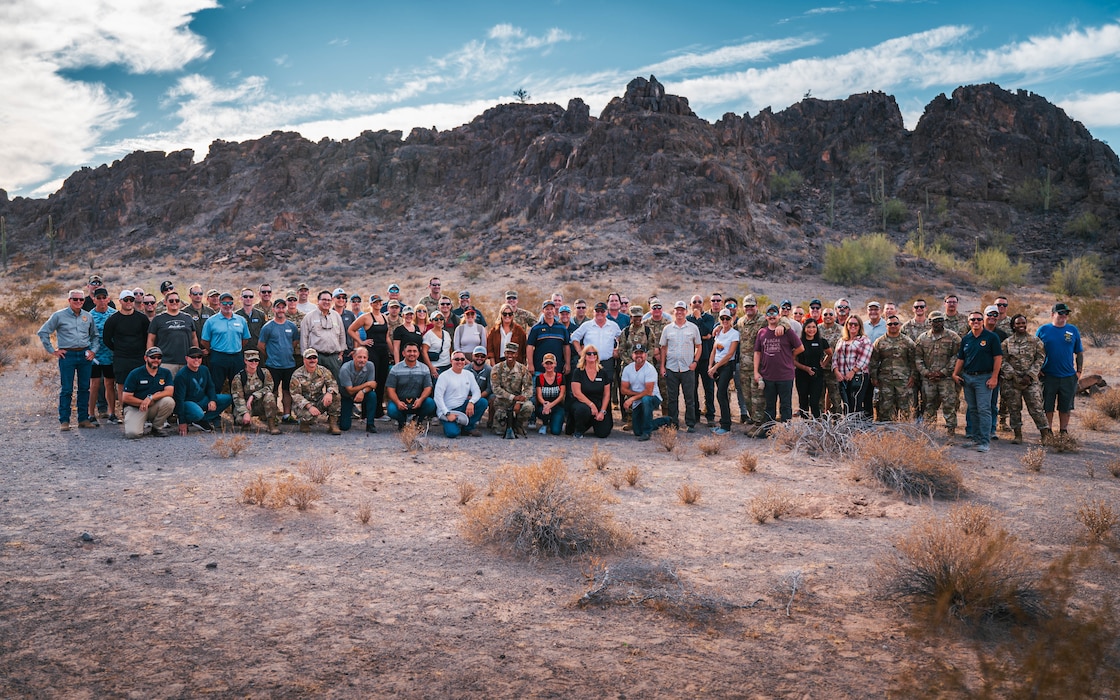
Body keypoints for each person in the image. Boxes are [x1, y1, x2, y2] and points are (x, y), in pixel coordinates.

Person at [38, 289, 101, 430]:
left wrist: (93, 351)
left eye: (81, 299)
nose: (78, 302)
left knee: (84, 388)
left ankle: (83, 419)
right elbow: (43, 332)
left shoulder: (88, 316)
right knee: (66, 389)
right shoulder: (59, 316)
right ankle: (64, 421)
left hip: (85, 355)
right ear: (69, 300)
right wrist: (52, 350)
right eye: (75, 299)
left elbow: (95, 336)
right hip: (67, 355)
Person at [952, 311, 1003, 452]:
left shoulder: (991, 337)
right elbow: (961, 358)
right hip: (968, 378)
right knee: (973, 409)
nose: (976, 321)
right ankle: (975, 438)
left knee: (984, 409)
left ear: (982, 321)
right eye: (973, 319)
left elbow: (998, 358)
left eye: (979, 319)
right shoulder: (966, 339)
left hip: (984, 378)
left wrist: (994, 377)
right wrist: (955, 373)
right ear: (968, 322)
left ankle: (985, 442)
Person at [1036, 302, 1084, 439]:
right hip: (1048, 375)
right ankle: (1048, 431)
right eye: (1060, 313)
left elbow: (1079, 352)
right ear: (1053, 314)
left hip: (1068, 376)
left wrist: (1079, 371)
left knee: (1066, 406)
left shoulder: (1073, 330)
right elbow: (1034, 351)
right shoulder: (1043, 330)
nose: (1063, 316)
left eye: (1066, 314)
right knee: (1047, 405)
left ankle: (1063, 431)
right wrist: (1037, 369)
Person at [753, 304, 804, 429]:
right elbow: (757, 352)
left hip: (785, 375)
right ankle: (769, 430)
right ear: (766, 317)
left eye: (774, 313)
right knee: (770, 405)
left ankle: (786, 432)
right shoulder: (762, 332)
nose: (771, 316)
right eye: (769, 314)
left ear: (779, 315)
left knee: (785, 406)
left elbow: (800, 348)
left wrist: (790, 356)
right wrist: (756, 372)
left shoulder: (788, 331)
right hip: (768, 375)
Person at [1001, 314, 1049, 444]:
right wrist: (1014, 375)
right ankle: (1018, 435)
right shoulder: (1007, 343)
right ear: (1013, 325)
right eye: (1018, 324)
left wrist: (1030, 375)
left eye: (1023, 323)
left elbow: (1040, 358)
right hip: (1012, 381)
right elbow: (1002, 360)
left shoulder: (1035, 341)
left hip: (1030, 381)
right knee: (1014, 408)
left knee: (1036, 407)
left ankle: (1045, 434)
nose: (1021, 326)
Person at [103, 290, 149, 422]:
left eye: (131, 300)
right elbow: (107, 340)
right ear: (120, 301)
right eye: (126, 300)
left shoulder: (142, 318)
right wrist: (118, 349)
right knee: (122, 386)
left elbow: (148, 337)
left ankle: (143, 415)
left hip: (139, 357)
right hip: (121, 358)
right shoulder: (113, 320)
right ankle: (126, 414)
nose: (129, 302)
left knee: (142, 385)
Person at [915, 311, 961, 437]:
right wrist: (926, 373)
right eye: (935, 321)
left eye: (940, 320)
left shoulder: (953, 337)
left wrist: (944, 372)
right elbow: (918, 358)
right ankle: (929, 433)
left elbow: (957, 356)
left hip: (946, 379)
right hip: (928, 379)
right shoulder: (922, 338)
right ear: (929, 322)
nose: (938, 323)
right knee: (928, 406)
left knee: (949, 405)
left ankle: (951, 432)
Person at [660, 301, 703, 432]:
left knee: (689, 398)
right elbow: (663, 347)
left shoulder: (693, 328)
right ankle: (674, 423)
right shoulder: (668, 329)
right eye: (677, 310)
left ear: (686, 311)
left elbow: (699, 346)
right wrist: (662, 366)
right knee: (672, 398)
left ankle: (690, 423)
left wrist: (695, 362)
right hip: (671, 368)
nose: (679, 312)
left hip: (687, 369)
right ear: (674, 311)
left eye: (682, 310)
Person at [348, 296, 392, 419]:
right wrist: (361, 342)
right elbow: (351, 329)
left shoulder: (384, 317)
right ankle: (366, 413)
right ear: (371, 304)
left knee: (381, 381)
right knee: (371, 381)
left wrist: (393, 352)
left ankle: (379, 412)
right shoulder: (366, 317)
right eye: (375, 302)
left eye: (379, 302)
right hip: (372, 352)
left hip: (384, 352)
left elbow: (387, 337)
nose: (378, 304)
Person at [173, 346, 233, 433]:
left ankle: (202, 420)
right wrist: (182, 421)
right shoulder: (181, 375)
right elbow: (179, 399)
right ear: (186, 358)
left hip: (202, 399)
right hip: (188, 403)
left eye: (199, 357)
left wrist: (212, 400)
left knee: (228, 398)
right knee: (198, 413)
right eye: (193, 357)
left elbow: (210, 387)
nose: (196, 359)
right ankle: (188, 419)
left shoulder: (204, 369)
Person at [869, 315, 917, 421]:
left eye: (895, 324)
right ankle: (887, 431)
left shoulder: (907, 342)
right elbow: (873, 361)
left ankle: (904, 432)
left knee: (905, 408)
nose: (893, 326)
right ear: (886, 326)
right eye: (890, 324)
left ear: (899, 325)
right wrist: (874, 377)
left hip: (903, 380)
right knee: (885, 407)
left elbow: (913, 361)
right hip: (885, 381)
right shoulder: (879, 342)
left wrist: (913, 377)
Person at [121, 346, 176, 438]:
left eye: (159, 358)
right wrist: (143, 402)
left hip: (153, 405)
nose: (156, 360)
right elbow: (126, 397)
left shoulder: (165, 373)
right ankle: (138, 424)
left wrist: (150, 398)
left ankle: (156, 428)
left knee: (169, 401)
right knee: (133, 434)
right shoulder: (135, 373)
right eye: (153, 357)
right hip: (136, 407)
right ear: (145, 358)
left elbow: (169, 392)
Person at [258, 298, 298, 420]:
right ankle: (273, 415)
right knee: (273, 391)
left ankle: (287, 415)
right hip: (273, 365)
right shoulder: (268, 327)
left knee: (287, 391)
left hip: (289, 365)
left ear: (285, 309)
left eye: (283, 307)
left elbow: (295, 342)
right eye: (278, 307)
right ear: (274, 309)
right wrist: (270, 355)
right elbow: (261, 345)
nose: (280, 310)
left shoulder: (291, 326)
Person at [201, 292, 250, 393]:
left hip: (236, 357)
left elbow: (245, 338)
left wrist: (235, 347)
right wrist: (213, 350)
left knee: (238, 387)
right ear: (219, 304)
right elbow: (204, 340)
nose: (228, 305)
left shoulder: (241, 320)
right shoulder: (211, 321)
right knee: (216, 386)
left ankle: (236, 408)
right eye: (224, 303)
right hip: (218, 357)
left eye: (230, 303)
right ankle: (215, 408)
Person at [433, 350, 487, 438]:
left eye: (462, 359)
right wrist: (447, 413)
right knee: (452, 433)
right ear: (451, 361)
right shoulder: (444, 376)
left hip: (462, 406)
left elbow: (477, 392)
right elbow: (437, 397)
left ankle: (467, 428)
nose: (460, 362)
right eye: (457, 359)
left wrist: (471, 402)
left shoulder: (468, 374)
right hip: (448, 410)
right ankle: (453, 425)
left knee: (482, 402)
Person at [290, 348, 342, 435]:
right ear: (304, 360)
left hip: (318, 401)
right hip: (303, 405)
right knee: (307, 416)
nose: (312, 360)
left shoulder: (323, 371)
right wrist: (309, 406)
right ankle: (304, 423)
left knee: (335, 396)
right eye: (309, 358)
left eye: (314, 357)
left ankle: (333, 424)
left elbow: (333, 384)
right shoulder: (297, 374)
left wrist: (329, 392)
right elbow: (296, 395)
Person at [385, 343, 437, 429]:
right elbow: (390, 389)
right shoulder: (395, 369)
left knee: (430, 403)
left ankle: (418, 421)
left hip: (417, 402)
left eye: (414, 351)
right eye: (409, 351)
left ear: (418, 353)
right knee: (391, 410)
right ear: (403, 353)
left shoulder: (424, 368)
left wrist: (421, 400)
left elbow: (428, 388)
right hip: (401, 402)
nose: (412, 354)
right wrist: (397, 402)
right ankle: (402, 423)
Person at [147, 290, 197, 377]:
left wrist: (195, 356)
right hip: (166, 362)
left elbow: (194, 338)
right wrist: (151, 357)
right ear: (165, 302)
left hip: (186, 361)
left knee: (186, 389)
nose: (174, 302)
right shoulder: (158, 319)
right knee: (167, 388)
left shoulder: (188, 318)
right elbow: (151, 339)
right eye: (171, 301)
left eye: (177, 300)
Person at [87, 287, 118, 424]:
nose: (101, 301)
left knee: (109, 384)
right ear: (94, 300)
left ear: (108, 299)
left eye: (103, 298)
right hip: (95, 356)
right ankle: (91, 414)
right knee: (94, 384)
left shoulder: (115, 314)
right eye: (98, 298)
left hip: (110, 354)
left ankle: (112, 413)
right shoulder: (88, 316)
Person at [231, 350, 280, 434]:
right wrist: (245, 412)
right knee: (240, 419)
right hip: (247, 405)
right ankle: (246, 424)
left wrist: (254, 396)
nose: (254, 362)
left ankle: (271, 425)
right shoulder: (239, 377)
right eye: (251, 360)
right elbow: (237, 397)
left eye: (256, 360)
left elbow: (269, 387)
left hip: (261, 403)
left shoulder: (264, 373)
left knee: (269, 396)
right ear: (245, 361)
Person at [301, 290, 347, 380]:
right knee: (315, 385)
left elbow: (342, 335)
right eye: (324, 300)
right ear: (318, 301)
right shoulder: (309, 317)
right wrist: (306, 357)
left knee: (335, 384)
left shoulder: (336, 316)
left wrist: (341, 353)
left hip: (334, 357)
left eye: (329, 300)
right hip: (315, 357)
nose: (326, 302)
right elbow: (304, 338)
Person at [491, 342, 535, 437]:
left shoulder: (522, 369)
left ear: (516, 354)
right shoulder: (497, 368)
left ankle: (517, 424)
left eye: (513, 353)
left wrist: (519, 402)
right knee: (500, 431)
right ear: (505, 353)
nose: (510, 355)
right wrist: (513, 397)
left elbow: (529, 388)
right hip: (502, 401)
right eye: (508, 353)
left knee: (529, 406)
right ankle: (505, 423)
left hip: (518, 401)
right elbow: (496, 389)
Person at [707, 308, 739, 434]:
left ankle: (726, 425)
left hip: (726, 366)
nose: (725, 321)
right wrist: (711, 366)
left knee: (721, 393)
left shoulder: (734, 334)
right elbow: (714, 350)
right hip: (716, 365)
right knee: (721, 394)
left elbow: (730, 354)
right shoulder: (718, 333)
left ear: (731, 319)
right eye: (722, 318)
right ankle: (724, 423)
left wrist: (715, 367)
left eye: (727, 318)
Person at [832, 315, 872, 416]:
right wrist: (836, 371)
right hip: (842, 377)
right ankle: (847, 427)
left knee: (855, 402)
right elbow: (835, 356)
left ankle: (856, 428)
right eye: (850, 324)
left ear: (860, 326)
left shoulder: (864, 340)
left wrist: (853, 371)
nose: (853, 326)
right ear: (847, 325)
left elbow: (864, 359)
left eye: (855, 324)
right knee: (846, 404)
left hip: (858, 376)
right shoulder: (842, 340)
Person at [570, 345, 613, 438]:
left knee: (603, 433)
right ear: (584, 356)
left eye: (594, 353)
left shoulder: (603, 372)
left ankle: (592, 423)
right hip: (582, 403)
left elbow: (607, 394)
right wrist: (591, 405)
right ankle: (579, 430)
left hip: (599, 403)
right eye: (589, 353)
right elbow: (577, 393)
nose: (592, 355)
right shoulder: (578, 371)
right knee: (583, 410)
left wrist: (602, 411)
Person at [620, 343, 661, 441]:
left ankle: (647, 432)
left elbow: (649, 391)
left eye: (641, 353)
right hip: (638, 398)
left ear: (646, 355)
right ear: (632, 355)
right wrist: (636, 396)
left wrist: (631, 399)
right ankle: (665, 421)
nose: (639, 355)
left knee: (646, 399)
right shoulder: (627, 369)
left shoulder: (650, 369)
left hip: (653, 397)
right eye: (636, 353)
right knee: (637, 431)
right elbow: (623, 390)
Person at [688, 294, 716, 426]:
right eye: (695, 302)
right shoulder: (687, 320)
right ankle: (695, 415)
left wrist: (699, 319)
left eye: (700, 301)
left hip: (706, 358)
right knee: (692, 388)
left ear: (703, 304)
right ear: (690, 305)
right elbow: (695, 336)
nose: (697, 303)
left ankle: (710, 416)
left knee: (708, 388)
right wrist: (703, 336)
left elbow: (706, 332)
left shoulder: (709, 318)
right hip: (692, 359)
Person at [794, 318, 830, 419]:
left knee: (815, 402)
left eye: (814, 327)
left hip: (817, 376)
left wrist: (823, 364)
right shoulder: (799, 343)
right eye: (809, 327)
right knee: (803, 401)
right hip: (802, 375)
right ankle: (805, 425)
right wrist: (805, 368)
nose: (811, 329)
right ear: (804, 328)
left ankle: (817, 425)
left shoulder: (821, 341)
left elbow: (830, 353)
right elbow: (792, 359)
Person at [338, 346, 378, 433]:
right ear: (353, 357)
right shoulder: (345, 368)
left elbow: (373, 386)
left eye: (364, 357)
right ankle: (340, 418)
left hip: (362, 394)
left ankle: (370, 424)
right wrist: (366, 384)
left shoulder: (370, 366)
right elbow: (350, 390)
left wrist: (362, 391)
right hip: (346, 396)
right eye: (359, 357)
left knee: (372, 395)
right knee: (344, 427)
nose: (362, 360)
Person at [535, 353, 566, 435]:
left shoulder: (560, 377)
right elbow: (539, 395)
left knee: (555, 431)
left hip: (557, 406)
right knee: (543, 410)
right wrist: (545, 404)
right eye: (547, 363)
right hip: (544, 406)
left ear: (555, 364)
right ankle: (545, 423)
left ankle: (554, 421)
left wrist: (550, 405)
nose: (549, 366)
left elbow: (561, 395)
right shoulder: (539, 378)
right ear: (543, 364)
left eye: (551, 363)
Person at [422, 311, 453, 377]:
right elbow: (424, 352)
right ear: (432, 321)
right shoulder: (429, 335)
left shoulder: (446, 334)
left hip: (448, 366)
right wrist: (431, 368)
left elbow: (449, 349)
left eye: (441, 318)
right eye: (436, 319)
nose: (439, 321)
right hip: (437, 367)